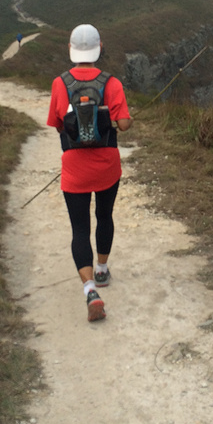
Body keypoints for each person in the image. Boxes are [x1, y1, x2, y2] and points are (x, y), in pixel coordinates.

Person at [47, 24, 132, 322]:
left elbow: (58, 124)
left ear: (71, 49)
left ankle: (90, 291)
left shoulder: (60, 83)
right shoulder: (113, 83)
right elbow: (122, 125)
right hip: (107, 165)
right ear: (100, 47)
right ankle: (103, 270)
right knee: (104, 216)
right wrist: (122, 118)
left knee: (79, 229)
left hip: (74, 169)